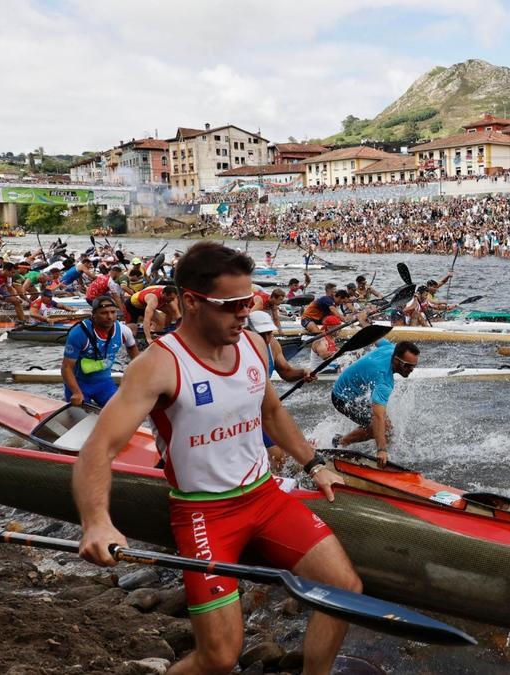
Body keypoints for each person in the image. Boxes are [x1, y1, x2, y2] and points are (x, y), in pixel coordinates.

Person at [73, 242, 358, 674]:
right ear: (191, 301)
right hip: (205, 514)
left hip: (266, 499)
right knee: (220, 658)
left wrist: (314, 463)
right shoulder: (158, 366)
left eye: (250, 301)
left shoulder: (248, 346)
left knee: (344, 587)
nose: (245, 313)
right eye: (233, 305)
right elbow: (99, 448)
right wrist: (97, 520)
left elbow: (272, 411)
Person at [330, 339, 421, 466]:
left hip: (355, 393)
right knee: (379, 428)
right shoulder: (384, 379)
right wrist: (381, 450)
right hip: (342, 397)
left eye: (414, 365)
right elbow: (378, 416)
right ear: (396, 360)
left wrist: (364, 323)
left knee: (388, 429)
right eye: (407, 365)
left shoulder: (390, 348)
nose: (411, 369)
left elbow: (376, 338)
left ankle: (383, 453)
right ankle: (341, 442)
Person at [247, 310, 316, 471]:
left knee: (280, 457)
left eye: (268, 333)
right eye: (260, 334)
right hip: (244, 412)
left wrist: (303, 372)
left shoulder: (273, 345)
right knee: (276, 455)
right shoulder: (236, 348)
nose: (265, 339)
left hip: (264, 408)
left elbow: (286, 372)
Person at [61, 296, 140, 407]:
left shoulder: (123, 330)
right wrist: (76, 393)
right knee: (79, 417)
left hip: (104, 383)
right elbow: (66, 368)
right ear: (94, 314)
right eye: (104, 313)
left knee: (122, 410)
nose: (110, 317)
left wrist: (139, 372)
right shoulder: (78, 333)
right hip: (79, 384)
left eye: (113, 312)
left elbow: (132, 347)